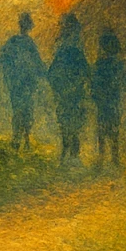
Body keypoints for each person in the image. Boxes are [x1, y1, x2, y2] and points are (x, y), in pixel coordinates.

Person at [0, 12, 45, 152]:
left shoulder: (14, 41)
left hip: (20, 84)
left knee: (20, 110)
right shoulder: (27, 43)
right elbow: (38, 64)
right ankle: (22, 139)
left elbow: (2, 59)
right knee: (25, 110)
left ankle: (20, 139)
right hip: (23, 84)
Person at [48, 13, 90, 162]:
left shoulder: (66, 48)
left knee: (68, 122)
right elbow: (85, 71)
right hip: (72, 91)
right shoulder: (71, 48)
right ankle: (71, 154)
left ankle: (69, 154)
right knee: (72, 123)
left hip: (68, 92)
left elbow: (52, 73)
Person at [91, 28, 124, 168]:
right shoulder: (117, 64)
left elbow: (94, 84)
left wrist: (94, 96)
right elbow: (125, 81)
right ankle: (114, 159)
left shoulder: (100, 64)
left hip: (103, 102)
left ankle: (102, 158)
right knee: (113, 130)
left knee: (102, 130)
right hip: (113, 101)